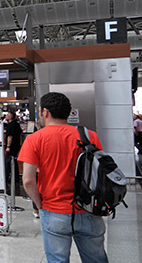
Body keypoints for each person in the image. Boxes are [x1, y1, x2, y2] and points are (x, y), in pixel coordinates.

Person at [19, 92, 108, 263]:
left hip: (54, 210)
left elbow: (28, 180)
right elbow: (100, 171)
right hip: (89, 209)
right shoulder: (89, 136)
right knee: (96, 259)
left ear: (45, 112)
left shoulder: (35, 139)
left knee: (58, 260)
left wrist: (40, 205)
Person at [4, 111, 23, 194]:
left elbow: (10, 136)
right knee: (14, 162)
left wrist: (8, 146)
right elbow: (20, 133)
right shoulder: (17, 124)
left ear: (11, 117)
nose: (6, 116)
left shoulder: (10, 125)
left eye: (7, 115)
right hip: (16, 146)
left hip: (11, 147)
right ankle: (15, 178)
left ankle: (6, 177)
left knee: (8, 162)